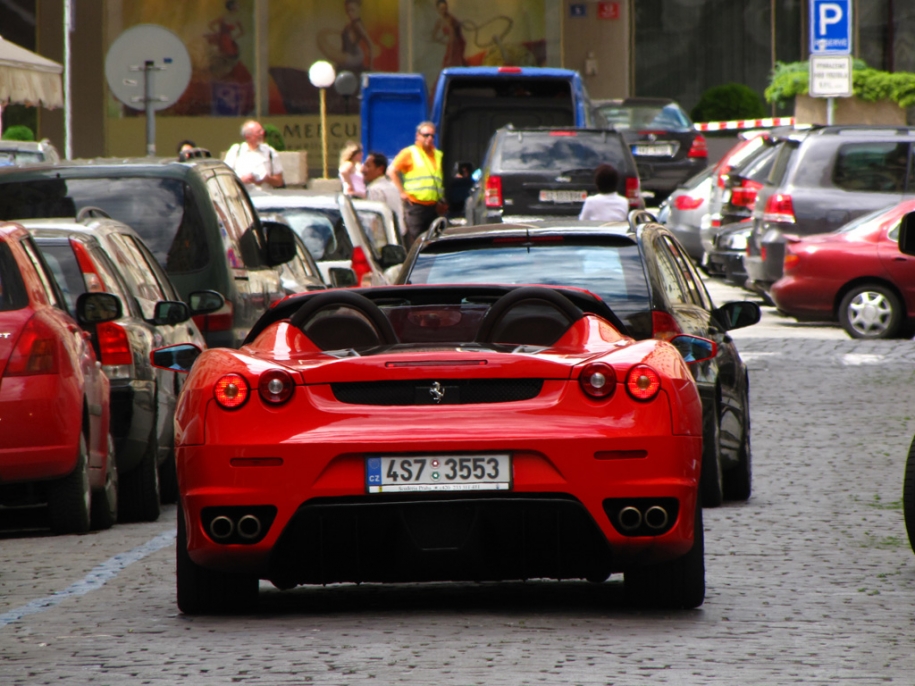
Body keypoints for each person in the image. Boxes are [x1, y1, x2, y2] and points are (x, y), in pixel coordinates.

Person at [388, 121, 446, 248]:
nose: (429, 138)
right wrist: (402, 193)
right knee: (416, 240)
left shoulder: (438, 154)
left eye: (432, 136)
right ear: (418, 136)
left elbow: (440, 180)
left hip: (434, 206)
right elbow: (391, 171)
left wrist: (443, 200)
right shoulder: (409, 152)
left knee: (434, 240)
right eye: (426, 135)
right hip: (416, 205)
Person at [224, 120, 284, 188]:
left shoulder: (270, 152)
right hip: (242, 195)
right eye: (258, 132)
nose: (262, 133)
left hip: (265, 196)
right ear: (248, 136)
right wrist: (242, 180)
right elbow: (225, 177)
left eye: (262, 131)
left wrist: (267, 179)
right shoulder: (236, 150)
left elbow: (279, 181)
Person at [362, 151, 406, 236]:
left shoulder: (375, 189)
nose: (363, 169)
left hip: (382, 239)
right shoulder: (392, 186)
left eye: (368, 165)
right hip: (398, 235)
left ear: (380, 169)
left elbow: (371, 219)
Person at [433, 0, 467, 68]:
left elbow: (453, 38)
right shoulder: (439, 21)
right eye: (442, 9)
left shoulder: (450, 20)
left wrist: (450, 57)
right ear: (438, 9)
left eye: (445, 8)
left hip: (457, 45)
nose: (444, 11)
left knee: (451, 64)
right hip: (451, 44)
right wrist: (445, 42)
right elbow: (434, 37)